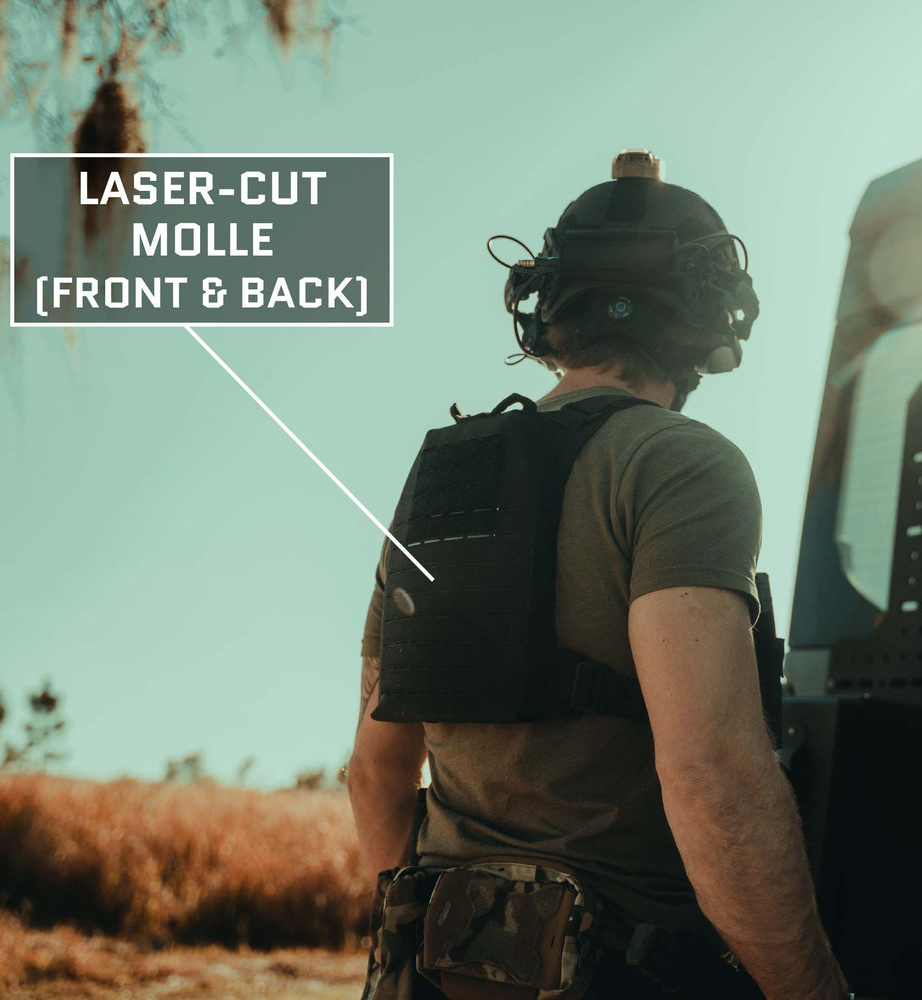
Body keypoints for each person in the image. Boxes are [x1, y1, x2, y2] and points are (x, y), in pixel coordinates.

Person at [347, 151, 850, 999]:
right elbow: (711, 776)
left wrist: (427, 946)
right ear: (704, 316)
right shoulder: (683, 464)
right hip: (624, 970)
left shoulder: (440, 479)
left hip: (433, 968)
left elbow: (375, 774)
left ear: (551, 307)